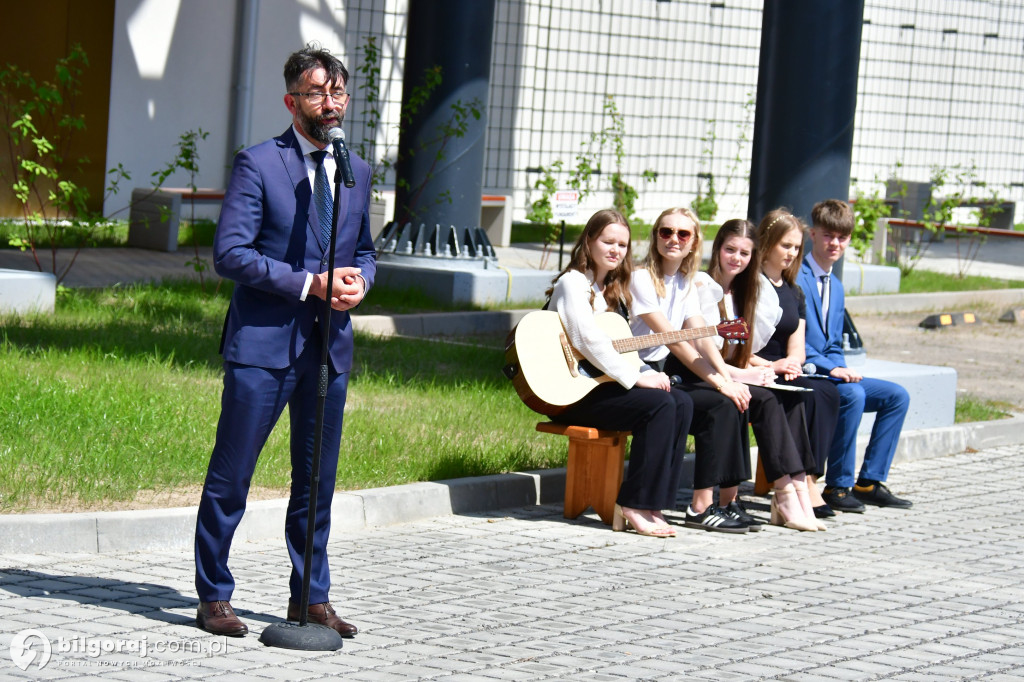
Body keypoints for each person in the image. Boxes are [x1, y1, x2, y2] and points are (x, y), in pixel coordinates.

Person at [193, 45, 376, 638]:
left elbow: (365, 252)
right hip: (263, 347)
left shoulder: (357, 170)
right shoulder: (259, 164)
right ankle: (214, 594)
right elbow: (231, 255)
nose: (331, 103)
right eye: (318, 92)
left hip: (328, 347)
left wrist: (359, 283)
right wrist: (309, 284)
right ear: (291, 100)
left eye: (338, 92)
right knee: (233, 473)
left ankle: (310, 596)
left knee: (317, 479)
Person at [548, 209, 694, 537]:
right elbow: (587, 338)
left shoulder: (614, 291)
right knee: (659, 406)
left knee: (681, 401)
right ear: (589, 241)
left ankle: (654, 503)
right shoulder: (573, 283)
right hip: (569, 392)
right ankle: (634, 502)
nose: (616, 250)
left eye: (623, 245)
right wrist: (637, 378)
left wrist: (647, 371)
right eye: (608, 241)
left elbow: (623, 348)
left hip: (599, 387)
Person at [628, 208, 758, 534]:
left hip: (663, 373)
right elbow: (674, 341)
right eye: (666, 232)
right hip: (635, 372)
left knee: (729, 402)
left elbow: (700, 337)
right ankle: (701, 508)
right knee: (718, 403)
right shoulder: (641, 277)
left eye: (683, 234)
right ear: (656, 235)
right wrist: (719, 382)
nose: (674, 239)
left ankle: (720, 502)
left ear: (693, 242)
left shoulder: (687, 283)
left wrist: (726, 379)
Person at [697, 218, 822, 531]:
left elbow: (739, 347)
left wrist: (752, 369)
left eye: (744, 253)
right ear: (717, 249)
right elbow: (701, 350)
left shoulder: (745, 291)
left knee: (792, 396)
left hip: (728, 369)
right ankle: (784, 490)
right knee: (763, 398)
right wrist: (745, 374)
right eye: (730, 250)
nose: (737, 258)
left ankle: (799, 484)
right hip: (696, 371)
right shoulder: (702, 285)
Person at [798, 199, 912, 512]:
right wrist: (831, 370)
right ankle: (837, 485)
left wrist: (839, 367)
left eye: (842, 237)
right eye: (828, 235)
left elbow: (833, 343)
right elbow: (792, 341)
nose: (835, 243)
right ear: (813, 234)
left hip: (829, 371)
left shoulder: (835, 285)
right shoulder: (797, 278)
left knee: (896, 396)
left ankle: (869, 482)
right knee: (852, 394)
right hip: (802, 370)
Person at [751, 211, 842, 522]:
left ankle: (808, 479)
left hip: (783, 367)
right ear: (767, 243)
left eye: (796, 248)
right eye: (785, 246)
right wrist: (773, 365)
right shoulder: (750, 285)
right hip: (755, 365)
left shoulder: (794, 291)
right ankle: (795, 487)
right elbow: (736, 350)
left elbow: (798, 346)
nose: (791, 254)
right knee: (798, 395)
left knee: (825, 392)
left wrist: (791, 362)